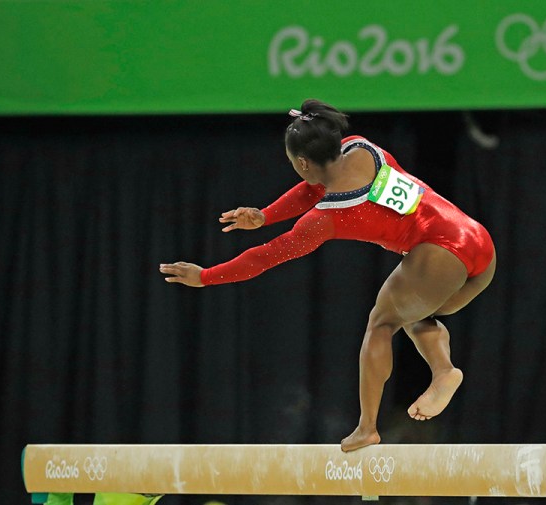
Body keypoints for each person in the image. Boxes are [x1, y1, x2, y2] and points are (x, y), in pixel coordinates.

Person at [159, 99, 496, 452]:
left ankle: (368, 427)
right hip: (478, 245)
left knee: (382, 323)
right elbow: (314, 187)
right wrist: (264, 216)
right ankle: (443, 370)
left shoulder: (326, 218)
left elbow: (265, 257)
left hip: (440, 254)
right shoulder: (361, 147)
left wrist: (207, 276)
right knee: (415, 314)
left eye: (293, 162)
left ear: (302, 162)